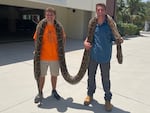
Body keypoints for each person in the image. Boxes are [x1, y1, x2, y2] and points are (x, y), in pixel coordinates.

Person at [83, 3, 123, 111]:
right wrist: (85, 42)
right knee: (91, 77)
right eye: (98, 10)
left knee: (105, 79)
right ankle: (90, 95)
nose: (100, 12)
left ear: (105, 11)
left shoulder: (110, 25)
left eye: (102, 10)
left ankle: (108, 100)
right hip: (93, 56)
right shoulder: (93, 24)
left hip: (105, 57)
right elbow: (89, 37)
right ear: (96, 11)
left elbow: (116, 37)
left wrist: (119, 39)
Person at [33, 7, 66, 103]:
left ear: (54, 16)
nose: (49, 17)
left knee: (54, 75)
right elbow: (36, 38)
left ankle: (54, 90)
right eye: (47, 15)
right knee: (41, 75)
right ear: (45, 16)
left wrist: (62, 50)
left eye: (51, 15)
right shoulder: (40, 26)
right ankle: (40, 92)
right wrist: (36, 50)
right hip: (43, 56)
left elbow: (64, 38)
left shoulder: (59, 27)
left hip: (55, 57)